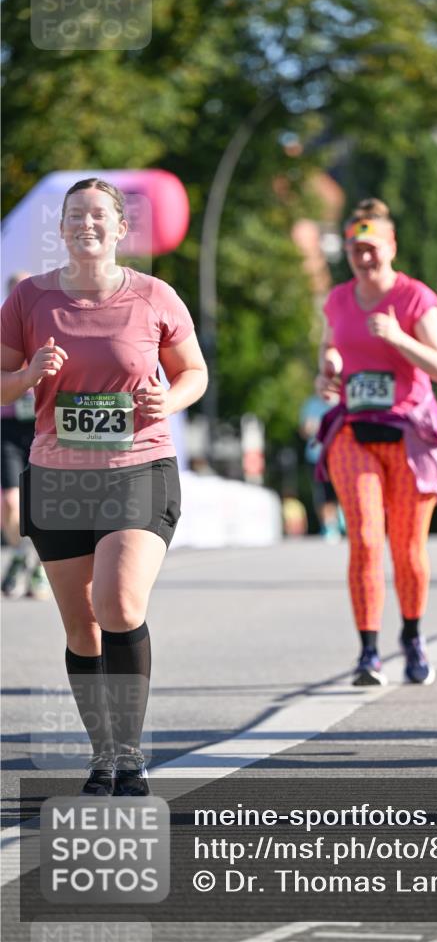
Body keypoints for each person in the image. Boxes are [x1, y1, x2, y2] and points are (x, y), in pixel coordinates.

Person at [0, 178, 208, 794]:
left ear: (121, 228)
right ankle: (103, 754)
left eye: (98, 215)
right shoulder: (29, 299)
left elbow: (194, 372)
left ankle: (131, 752)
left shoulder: (154, 295)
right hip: (58, 477)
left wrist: (168, 400)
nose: (86, 224)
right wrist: (28, 375)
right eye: (75, 215)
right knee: (81, 627)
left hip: (138, 468)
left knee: (117, 604)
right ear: (61, 228)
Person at [315, 198, 437, 686]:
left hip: (409, 434)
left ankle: (413, 637)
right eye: (355, 249)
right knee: (363, 540)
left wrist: (398, 337)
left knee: (406, 548)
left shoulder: (415, 297)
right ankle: (368, 652)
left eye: (372, 247)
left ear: (391, 246)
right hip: (354, 432)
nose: (364, 257)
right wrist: (327, 373)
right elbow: (329, 351)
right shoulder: (338, 299)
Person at [1, 272, 50, 598]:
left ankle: (38, 566)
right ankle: (23, 554)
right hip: (7, 426)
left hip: (41, 424)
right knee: (9, 502)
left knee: (42, 504)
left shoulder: (48, 325)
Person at [299, 393, 343, 541]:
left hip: (338, 456)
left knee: (339, 491)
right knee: (323, 494)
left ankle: (340, 520)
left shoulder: (341, 402)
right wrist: (309, 427)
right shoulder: (311, 404)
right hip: (316, 457)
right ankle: (329, 525)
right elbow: (304, 431)